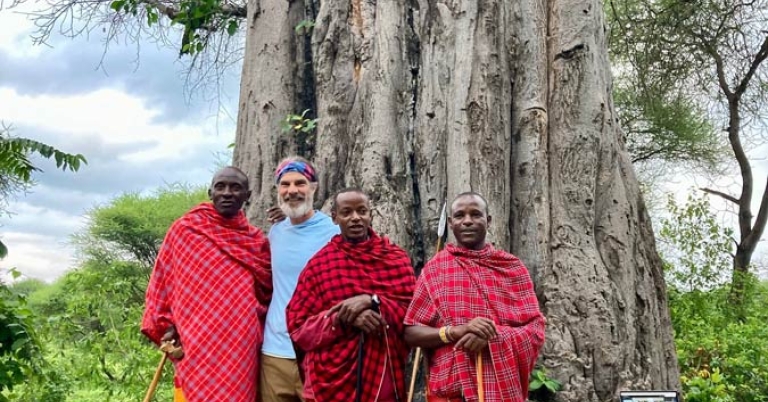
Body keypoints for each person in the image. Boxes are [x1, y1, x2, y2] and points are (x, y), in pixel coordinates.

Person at [141, 166, 272, 402]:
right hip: (195, 339)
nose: (227, 193)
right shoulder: (185, 230)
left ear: (248, 196)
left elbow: (266, 293)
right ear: (210, 192)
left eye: (236, 188)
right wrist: (166, 324)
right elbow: (162, 282)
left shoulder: (256, 241)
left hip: (240, 343)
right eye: (220, 187)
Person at [404, 192, 546, 402]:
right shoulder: (435, 270)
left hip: (501, 390)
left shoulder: (512, 268)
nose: (468, 221)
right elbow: (411, 333)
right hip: (450, 392)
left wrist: (491, 336)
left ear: (488, 221)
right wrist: (455, 332)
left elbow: (535, 330)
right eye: (460, 216)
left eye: (475, 214)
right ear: (451, 223)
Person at [286, 188, 416, 402]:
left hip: (382, 374)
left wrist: (373, 301)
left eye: (361, 211)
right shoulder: (319, 266)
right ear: (335, 218)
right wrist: (344, 318)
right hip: (329, 379)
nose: (355, 218)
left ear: (370, 215)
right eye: (346, 212)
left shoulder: (395, 259)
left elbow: (413, 315)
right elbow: (299, 328)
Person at [260, 156, 340, 402]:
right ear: (278, 190)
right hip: (275, 353)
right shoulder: (274, 233)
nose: (292, 190)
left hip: (320, 349)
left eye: (300, 183)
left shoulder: (334, 232)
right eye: (285, 184)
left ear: (313, 187)